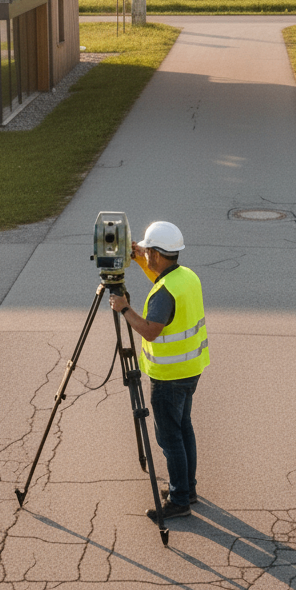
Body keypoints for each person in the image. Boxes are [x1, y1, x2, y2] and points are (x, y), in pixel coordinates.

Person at [108, 220, 209, 520]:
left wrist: (124, 308)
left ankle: (179, 500)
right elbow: (160, 275)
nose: (146, 254)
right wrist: (141, 256)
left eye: (148, 250)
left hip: (169, 376)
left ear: (158, 252)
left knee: (169, 437)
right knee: (183, 428)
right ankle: (186, 488)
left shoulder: (163, 293)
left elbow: (150, 330)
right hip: (190, 369)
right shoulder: (186, 277)